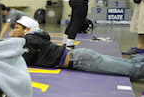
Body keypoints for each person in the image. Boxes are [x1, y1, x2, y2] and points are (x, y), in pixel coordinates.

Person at [10, 15, 144, 79]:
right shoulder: (37, 36)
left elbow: (25, 61)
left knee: (134, 71)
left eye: (16, 28)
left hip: (80, 60)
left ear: (26, 30)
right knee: (130, 64)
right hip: (80, 56)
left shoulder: (29, 39)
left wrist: (12, 38)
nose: (14, 30)